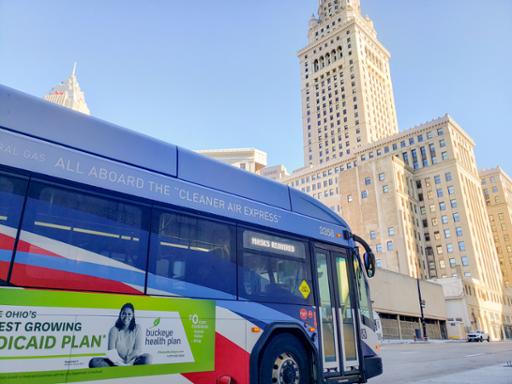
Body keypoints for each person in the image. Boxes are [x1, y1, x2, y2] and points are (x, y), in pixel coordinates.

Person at [89, 303, 150, 368]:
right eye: (124, 313)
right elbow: (111, 351)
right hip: (116, 362)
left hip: (133, 360)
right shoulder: (114, 330)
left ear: (133, 316)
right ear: (120, 314)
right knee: (93, 362)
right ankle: (120, 369)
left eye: (129, 314)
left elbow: (138, 349)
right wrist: (119, 363)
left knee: (148, 358)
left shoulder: (137, 328)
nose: (126, 316)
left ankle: (124, 369)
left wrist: (129, 358)